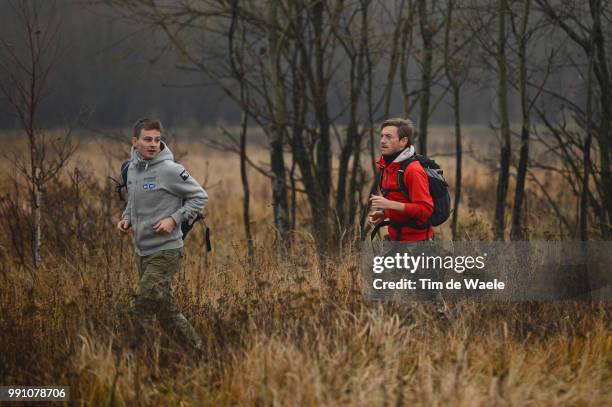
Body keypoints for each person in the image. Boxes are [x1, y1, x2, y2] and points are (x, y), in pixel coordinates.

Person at [116, 118, 207, 353]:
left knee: (141, 307)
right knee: (166, 312)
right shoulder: (131, 169)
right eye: (147, 139)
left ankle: (137, 357)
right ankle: (198, 351)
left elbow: (200, 197)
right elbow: (133, 203)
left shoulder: (170, 170)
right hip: (142, 251)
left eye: (157, 139)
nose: (153, 144)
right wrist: (126, 219)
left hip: (166, 250)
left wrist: (173, 219)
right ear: (135, 142)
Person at [369, 118, 434, 241]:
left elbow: (425, 210)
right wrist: (386, 213)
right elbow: (402, 201)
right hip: (394, 239)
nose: (382, 141)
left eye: (388, 137)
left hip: (417, 245)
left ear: (403, 141)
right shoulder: (385, 166)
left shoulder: (413, 170)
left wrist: (389, 205)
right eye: (381, 136)